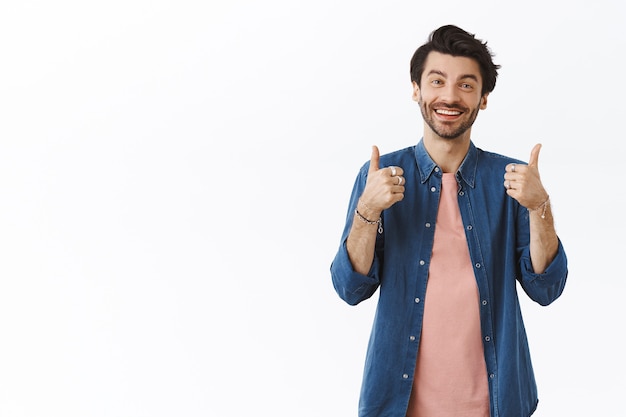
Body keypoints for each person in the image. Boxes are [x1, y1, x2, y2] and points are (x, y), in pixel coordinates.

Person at [330, 24, 568, 417]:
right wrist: (367, 212)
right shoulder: (381, 175)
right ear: (416, 89)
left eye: (466, 85)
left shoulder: (510, 180)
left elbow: (546, 288)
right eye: (437, 81)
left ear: (483, 98)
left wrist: (540, 206)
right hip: (398, 403)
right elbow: (350, 287)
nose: (449, 96)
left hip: (497, 401)